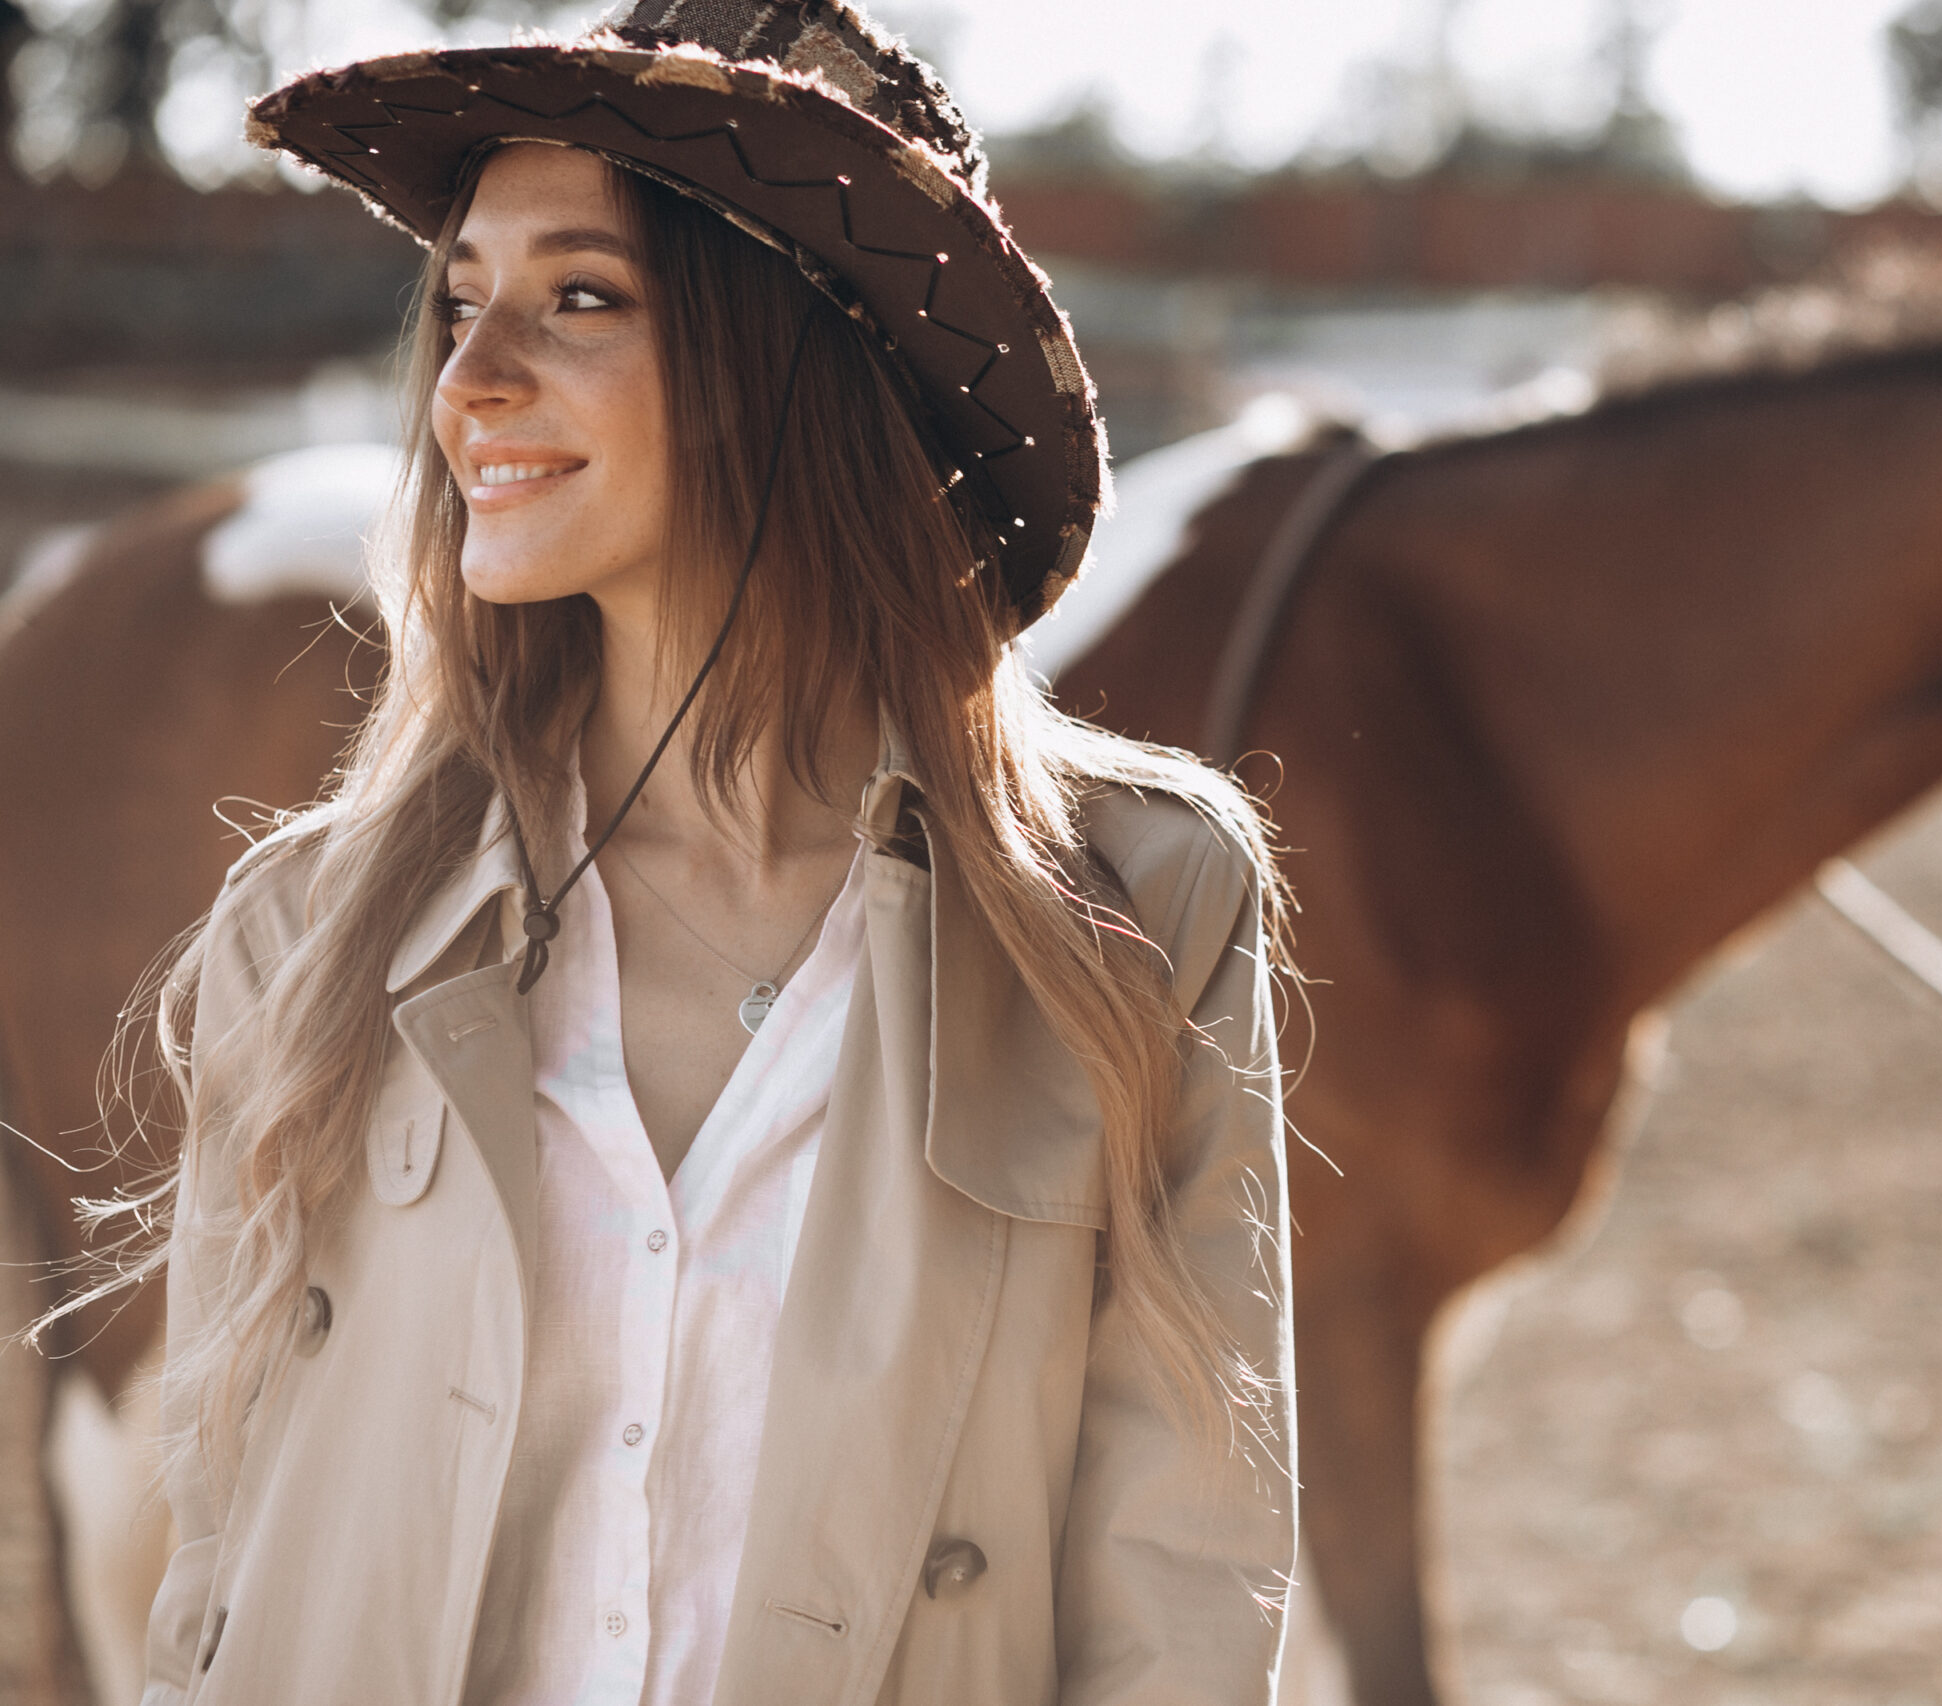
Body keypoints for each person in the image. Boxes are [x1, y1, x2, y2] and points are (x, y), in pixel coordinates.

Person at [122, 4, 1294, 1701]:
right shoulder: (306, 931)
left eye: (578, 296)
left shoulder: (1138, 913)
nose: (471, 380)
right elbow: (217, 1580)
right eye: (460, 303)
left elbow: (1182, 1586)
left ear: (797, 344)